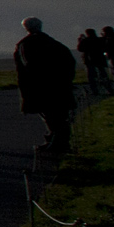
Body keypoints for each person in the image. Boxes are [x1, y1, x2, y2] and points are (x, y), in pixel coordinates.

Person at [13, 17, 78, 156]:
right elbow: (70, 63)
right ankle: (57, 141)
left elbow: (27, 66)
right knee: (58, 115)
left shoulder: (25, 44)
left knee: (51, 116)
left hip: (40, 87)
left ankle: (58, 143)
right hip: (59, 86)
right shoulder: (55, 44)